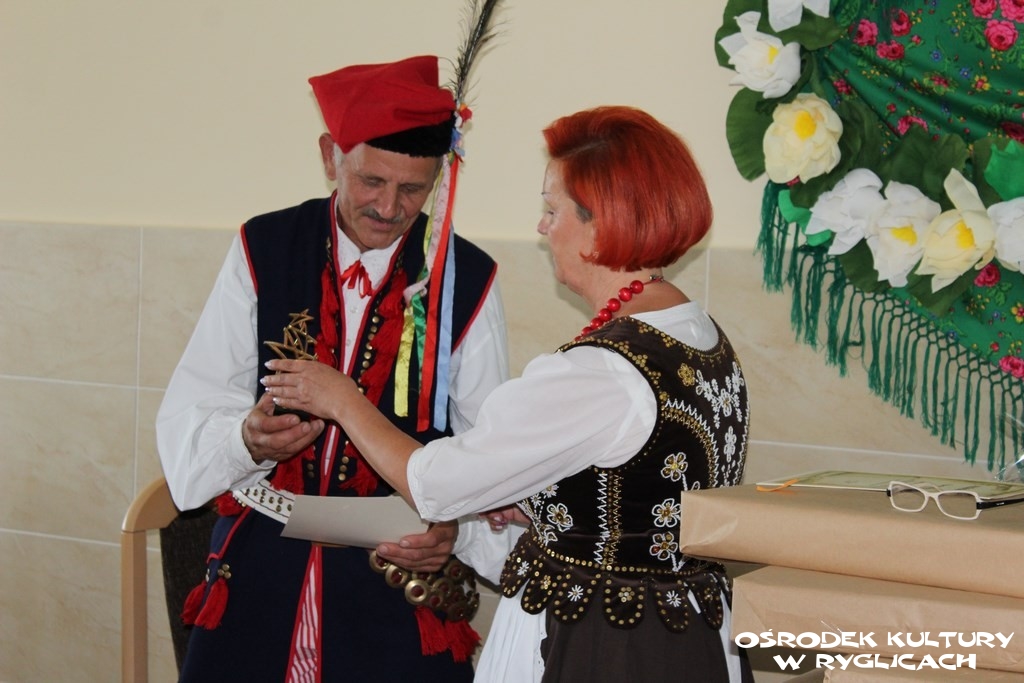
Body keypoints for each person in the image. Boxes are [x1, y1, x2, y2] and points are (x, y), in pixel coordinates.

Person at [263, 105, 755, 682]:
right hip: (687, 628)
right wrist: (543, 501)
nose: (542, 228)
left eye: (552, 210)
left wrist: (343, 400)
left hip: (604, 644)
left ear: (602, 226)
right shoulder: (694, 331)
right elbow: (641, 495)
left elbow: (434, 485)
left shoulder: (599, 370)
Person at [156, 54, 510, 682]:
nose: (389, 207)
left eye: (413, 189)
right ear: (331, 156)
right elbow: (195, 407)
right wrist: (246, 439)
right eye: (372, 180)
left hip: (393, 589)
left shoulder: (467, 281)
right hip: (259, 574)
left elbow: (489, 454)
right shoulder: (264, 248)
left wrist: (452, 528)